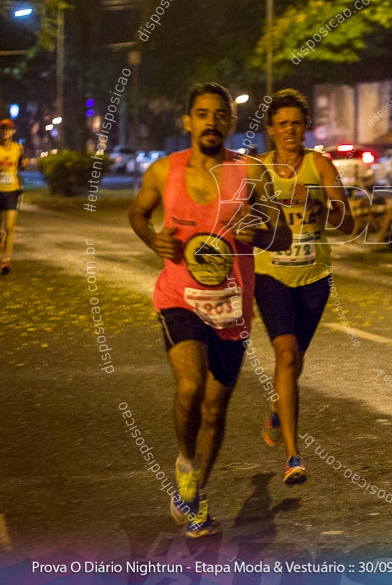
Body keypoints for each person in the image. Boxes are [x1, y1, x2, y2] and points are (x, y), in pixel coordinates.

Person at [128, 82, 291, 538]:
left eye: (220, 115)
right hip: (178, 297)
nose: (211, 122)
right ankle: (186, 464)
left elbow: (282, 238)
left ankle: (196, 488)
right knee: (190, 386)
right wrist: (152, 239)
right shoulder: (164, 171)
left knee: (216, 408)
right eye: (202, 114)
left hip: (231, 308)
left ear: (230, 123)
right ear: (188, 121)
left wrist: (255, 233)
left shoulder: (251, 174)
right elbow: (138, 214)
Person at [254, 88, 353, 484]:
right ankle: (294, 456)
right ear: (271, 130)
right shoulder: (256, 168)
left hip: (314, 277)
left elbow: (348, 225)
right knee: (286, 353)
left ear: (306, 126)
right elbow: (242, 223)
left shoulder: (321, 166)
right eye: (282, 124)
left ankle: (279, 409)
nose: (290, 130)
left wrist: (318, 202)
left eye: (296, 122)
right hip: (271, 275)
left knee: (294, 359)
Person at [0, 118, 27, 274]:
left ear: (13, 131)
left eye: (8, 129)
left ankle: (6, 261)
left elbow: (21, 164)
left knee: (10, 226)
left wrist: (24, 164)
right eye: (3, 129)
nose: (5, 132)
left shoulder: (18, 148)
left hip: (11, 191)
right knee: (2, 228)